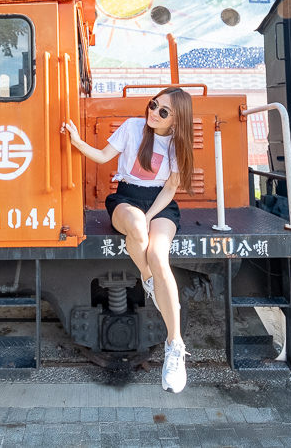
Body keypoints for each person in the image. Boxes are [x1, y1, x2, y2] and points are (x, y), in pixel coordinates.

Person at [63, 87, 195, 393]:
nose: (153, 112)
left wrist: (151, 217)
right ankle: (148, 280)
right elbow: (103, 155)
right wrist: (78, 141)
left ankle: (175, 347)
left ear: (177, 120)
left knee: (159, 254)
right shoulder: (133, 127)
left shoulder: (176, 143)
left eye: (163, 111)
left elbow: (171, 188)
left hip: (160, 203)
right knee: (136, 229)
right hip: (126, 198)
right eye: (153, 104)